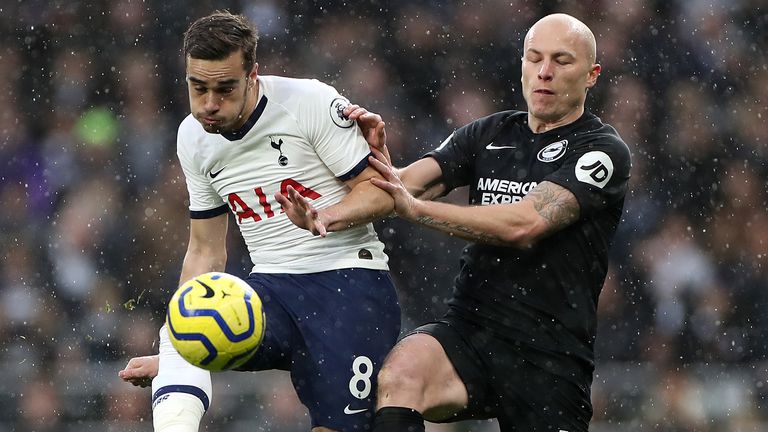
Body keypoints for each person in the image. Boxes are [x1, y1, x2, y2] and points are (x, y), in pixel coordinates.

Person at [117, 11, 402, 432]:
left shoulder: (309, 102)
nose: (210, 104)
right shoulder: (192, 138)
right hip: (269, 290)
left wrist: (325, 215)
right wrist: (177, 343)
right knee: (186, 323)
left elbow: (383, 191)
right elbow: (205, 249)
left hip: (348, 286)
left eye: (225, 88)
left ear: (253, 75)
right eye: (199, 88)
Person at [346, 13, 631, 432]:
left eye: (561, 61)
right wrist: (334, 199)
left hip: (549, 355)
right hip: (471, 330)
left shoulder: (602, 151)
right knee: (402, 373)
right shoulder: (491, 131)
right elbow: (403, 184)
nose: (545, 72)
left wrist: (417, 209)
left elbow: (525, 225)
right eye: (534, 58)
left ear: (592, 75)